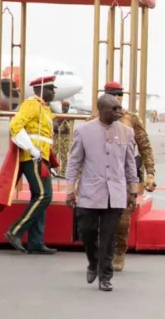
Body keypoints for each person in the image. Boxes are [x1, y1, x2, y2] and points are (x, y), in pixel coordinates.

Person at [65, 94, 139, 292]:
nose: (118, 112)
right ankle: (92, 261)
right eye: (114, 109)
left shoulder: (127, 132)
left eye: (119, 108)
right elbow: (74, 162)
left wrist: (133, 190)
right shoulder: (84, 131)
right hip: (90, 192)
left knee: (108, 237)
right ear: (102, 110)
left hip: (115, 194)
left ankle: (105, 276)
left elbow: (130, 164)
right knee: (87, 233)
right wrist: (70, 189)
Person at [0, 76, 59, 254]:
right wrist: (31, 148)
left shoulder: (45, 108)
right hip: (32, 157)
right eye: (51, 88)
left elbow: (44, 137)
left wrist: (49, 161)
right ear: (41, 88)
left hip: (41, 156)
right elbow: (15, 125)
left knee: (40, 198)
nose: (54, 92)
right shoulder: (32, 104)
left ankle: (36, 242)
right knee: (43, 196)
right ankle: (15, 231)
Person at [99, 82, 157, 272]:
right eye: (111, 94)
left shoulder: (131, 119)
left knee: (122, 219)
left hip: (124, 176)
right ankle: (102, 253)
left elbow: (145, 147)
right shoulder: (94, 120)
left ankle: (119, 253)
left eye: (118, 95)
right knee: (99, 220)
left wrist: (150, 174)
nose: (115, 98)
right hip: (100, 177)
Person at [53, 100, 73, 176]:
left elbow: (69, 128)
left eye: (67, 107)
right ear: (61, 107)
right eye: (64, 106)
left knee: (64, 156)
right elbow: (54, 127)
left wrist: (65, 120)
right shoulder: (58, 116)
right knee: (54, 154)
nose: (65, 108)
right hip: (57, 136)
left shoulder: (70, 117)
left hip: (65, 138)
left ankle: (62, 172)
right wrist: (58, 121)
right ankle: (54, 171)